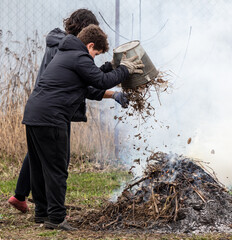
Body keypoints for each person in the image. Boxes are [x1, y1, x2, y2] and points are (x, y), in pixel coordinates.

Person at [22, 24, 144, 231]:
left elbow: (88, 86)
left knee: (38, 167)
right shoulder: (79, 57)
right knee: (56, 169)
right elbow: (101, 81)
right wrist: (125, 69)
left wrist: (110, 68)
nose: (93, 58)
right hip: (52, 117)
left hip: (34, 114)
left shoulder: (66, 54)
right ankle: (56, 218)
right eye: (95, 53)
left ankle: (42, 213)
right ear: (89, 45)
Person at [8, 9, 128, 213]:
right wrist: (118, 81)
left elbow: (88, 77)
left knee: (39, 158)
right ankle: (54, 214)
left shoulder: (64, 46)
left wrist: (107, 68)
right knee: (55, 164)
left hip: (41, 109)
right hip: (54, 110)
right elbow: (89, 84)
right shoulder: (70, 51)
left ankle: (30, 202)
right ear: (85, 32)